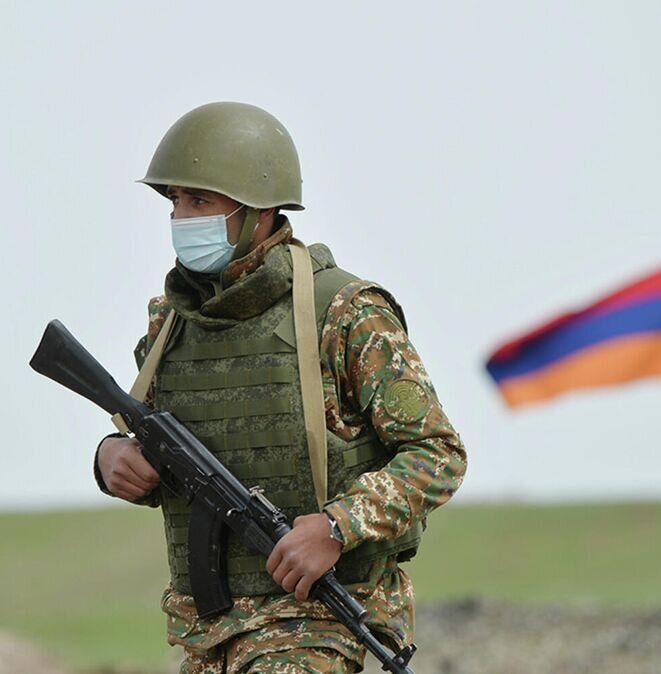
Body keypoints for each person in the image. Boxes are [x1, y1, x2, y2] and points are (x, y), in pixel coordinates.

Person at [93, 101, 466, 674]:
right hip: (208, 634)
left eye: (200, 201)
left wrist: (339, 527)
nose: (181, 218)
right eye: (175, 202)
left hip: (317, 621)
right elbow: (153, 453)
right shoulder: (172, 324)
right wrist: (111, 458)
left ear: (257, 210)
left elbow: (438, 455)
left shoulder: (343, 313)